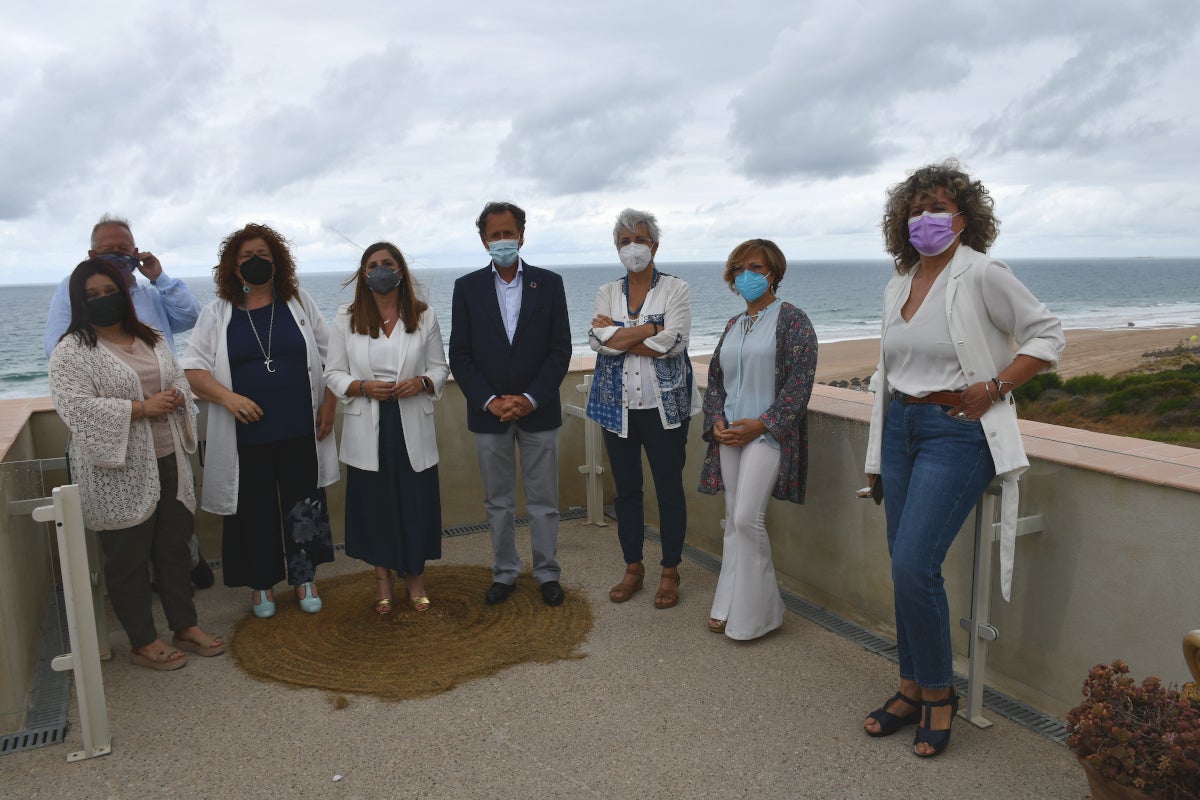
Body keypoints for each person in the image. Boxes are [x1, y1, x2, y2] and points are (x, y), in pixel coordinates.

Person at [861, 161, 1064, 758]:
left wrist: (997, 385)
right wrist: (877, 454)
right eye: (916, 209)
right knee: (902, 559)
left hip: (957, 431)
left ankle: (938, 694)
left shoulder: (982, 274)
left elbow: (1047, 335)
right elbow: (888, 375)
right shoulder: (897, 284)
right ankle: (908, 687)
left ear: (964, 217)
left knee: (914, 565)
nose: (926, 218)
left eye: (939, 207)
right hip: (901, 427)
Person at [48, 258, 223, 670]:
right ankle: (143, 641)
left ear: (124, 294)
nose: (104, 299)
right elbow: (75, 407)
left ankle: (185, 625)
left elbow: (177, 378)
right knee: (127, 557)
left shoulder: (152, 336)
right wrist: (140, 408)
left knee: (174, 548)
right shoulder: (71, 351)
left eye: (110, 291)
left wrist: (177, 396)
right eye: (92, 295)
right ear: (79, 302)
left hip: (170, 457)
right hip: (119, 470)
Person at [43, 215, 212, 589]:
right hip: (121, 425)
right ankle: (147, 590)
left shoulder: (150, 293)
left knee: (176, 505)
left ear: (135, 252)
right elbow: (58, 350)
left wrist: (159, 277)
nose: (117, 257)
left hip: (168, 417)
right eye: (108, 251)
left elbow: (191, 318)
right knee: (132, 514)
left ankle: (189, 564)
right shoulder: (73, 292)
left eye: (124, 250)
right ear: (91, 254)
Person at [181, 223, 339, 618]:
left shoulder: (298, 302)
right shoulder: (217, 314)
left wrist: (329, 406)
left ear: (278, 262)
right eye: (246, 257)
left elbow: (333, 357)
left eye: (263, 256)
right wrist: (229, 398)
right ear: (233, 268)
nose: (255, 262)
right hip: (243, 437)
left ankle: (304, 580)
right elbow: (193, 371)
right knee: (254, 511)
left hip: (301, 430)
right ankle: (261, 585)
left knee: (304, 507)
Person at [449, 201, 571, 607]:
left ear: (522, 234)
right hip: (489, 414)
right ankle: (504, 573)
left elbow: (559, 351)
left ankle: (547, 573)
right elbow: (460, 355)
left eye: (508, 232)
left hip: (539, 409)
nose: (502, 240)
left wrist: (529, 398)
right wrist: (490, 401)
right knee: (498, 501)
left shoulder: (549, 284)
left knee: (543, 500)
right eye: (494, 234)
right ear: (483, 239)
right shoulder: (466, 288)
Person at [698, 240, 817, 640]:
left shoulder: (793, 320)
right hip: (729, 435)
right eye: (739, 268)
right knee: (734, 518)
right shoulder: (734, 325)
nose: (746, 274)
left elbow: (799, 386)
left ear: (773, 273)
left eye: (755, 267)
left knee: (749, 518)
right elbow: (716, 379)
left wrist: (763, 424)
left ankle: (762, 612)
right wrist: (716, 420)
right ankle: (727, 603)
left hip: (768, 435)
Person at [324, 242, 449, 615]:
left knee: (413, 504)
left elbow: (440, 367)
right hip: (368, 424)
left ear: (401, 270)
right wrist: (361, 387)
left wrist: (422, 382)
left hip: (411, 423)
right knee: (377, 507)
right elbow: (333, 373)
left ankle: (414, 577)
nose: (381, 270)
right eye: (373, 265)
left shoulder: (424, 316)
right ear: (364, 274)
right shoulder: (346, 318)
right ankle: (382, 578)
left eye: (388, 263)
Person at [586, 208, 698, 609]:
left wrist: (622, 335)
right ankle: (633, 567)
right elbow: (597, 343)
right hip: (617, 409)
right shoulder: (606, 292)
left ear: (654, 245)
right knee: (627, 491)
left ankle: (670, 570)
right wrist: (652, 327)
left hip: (665, 407)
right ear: (617, 248)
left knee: (669, 490)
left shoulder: (676, 288)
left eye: (640, 239)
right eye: (624, 241)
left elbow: (676, 343)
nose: (632, 248)